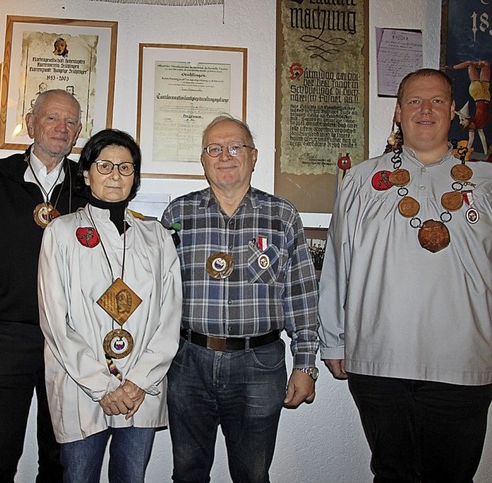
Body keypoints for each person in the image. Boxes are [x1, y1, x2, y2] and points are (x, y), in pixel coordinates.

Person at [318, 68, 492, 482]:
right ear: (398, 112)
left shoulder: (486, 182)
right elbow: (337, 264)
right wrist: (334, 338)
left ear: (453, 110)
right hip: (381, 358)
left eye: (436, 101)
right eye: (414, 101)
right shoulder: (361, 180)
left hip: (464, 361)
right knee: (392, 473)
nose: (425, 110)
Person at [161, 115, 319, 483]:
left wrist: (306, 364)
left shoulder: (282, 216)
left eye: (235, 147)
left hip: (259, 367)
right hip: (188, 364)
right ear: (203, 160)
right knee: (187, 472)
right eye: (214, 149)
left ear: (253, 156)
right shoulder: (176, 215)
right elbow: (159, 294)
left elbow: (302, 295)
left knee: (252, 473)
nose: (224, 156)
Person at [37, 128, 182, 483]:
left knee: (131, 478)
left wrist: (135, 383)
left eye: (125, 167)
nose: (116, 175)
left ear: (135, 177)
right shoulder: (60, 233)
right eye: (105, 166)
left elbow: (170, 318)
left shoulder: (157, 237)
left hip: (139, 390)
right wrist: (103, 386)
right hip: (81, 386)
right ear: (86, 173)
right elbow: (55, 321)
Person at [0, 89, 86, 482]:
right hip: (7, 335)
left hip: (67, 338)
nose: (60, 128)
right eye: (51, 118)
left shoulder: (86, 187)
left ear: (78, 132)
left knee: (59, 454)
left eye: (69, 122)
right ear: (31, 124)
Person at [453, 60, 490, 156]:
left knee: (471, 64)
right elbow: (477, 138)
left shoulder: (473, 122)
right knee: (485, 65)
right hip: (485, 95)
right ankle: (473, 64)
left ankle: (455, 67)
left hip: (478, 94)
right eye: (462, 121)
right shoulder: (475, 123)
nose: (461, 122)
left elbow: (473, 138)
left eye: (461, 120)